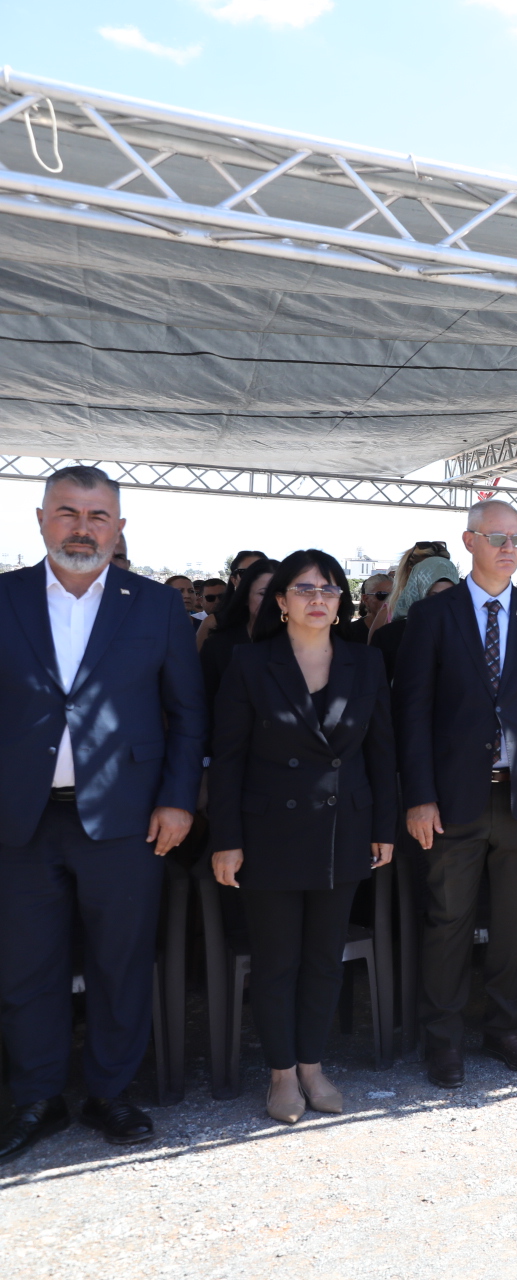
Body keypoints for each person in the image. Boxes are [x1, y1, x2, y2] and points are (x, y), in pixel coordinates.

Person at [0, 466, 204, 1162]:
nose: (82, 528)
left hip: (127, 818)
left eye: (97, 516)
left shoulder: (156, 606)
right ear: (40, 519)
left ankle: (110, 1092)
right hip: (20, 819)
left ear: (119, 527)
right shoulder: (4, 597)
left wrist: (178, 799)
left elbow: (188, 714)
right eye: (67, 513)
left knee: (121, 962)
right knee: (27, 967)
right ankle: (37, 1098)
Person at [207, 550, 396, 1124]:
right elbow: (228, 759)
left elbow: (381, 752)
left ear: (341, 602)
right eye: (305, 588)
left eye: (330, 589)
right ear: (281, 601)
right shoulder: (249, 662)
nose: (319, 598)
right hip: (269, 833)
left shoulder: (365, 661)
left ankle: (312, 1066)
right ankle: (282, 1074)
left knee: (324, 959)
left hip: (344, 828)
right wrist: (226, 838)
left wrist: (383, 826)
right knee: (277, 961)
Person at [395, 501, 517, 1088]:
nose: (509, 548)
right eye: (497, 537)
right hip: (451, 800)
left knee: (516, 922)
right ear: (469, 541)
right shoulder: (434, 615)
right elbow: (412, 712)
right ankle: (443, 1039)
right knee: (448, 920)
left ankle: (505, 1028)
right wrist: (419, 796)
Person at [201, 558, 281, 728]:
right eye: (263, 594)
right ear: (245, 597)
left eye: (279, 593)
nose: (272, 601)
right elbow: (205, 702)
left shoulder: (303, 644)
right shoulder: (218, 645)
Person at [370, 555, 459, 681]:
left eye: (448, 595)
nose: (441, 603)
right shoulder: (388, 637)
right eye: (433, 596)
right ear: (417, 592)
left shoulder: (466, 634)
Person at [341, 572, 391, 645]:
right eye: (382, 595)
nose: (389, 601)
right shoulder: (348, 632)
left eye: (395, 596)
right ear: (366, 599)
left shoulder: (402, 630)